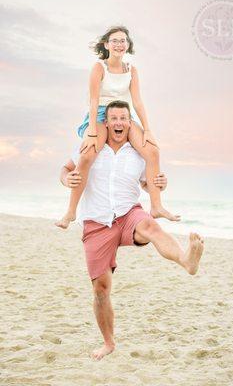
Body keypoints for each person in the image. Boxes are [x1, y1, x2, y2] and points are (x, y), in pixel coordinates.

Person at [59, 100, 204, 361]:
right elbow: (67, 169)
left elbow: (149, 184)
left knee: (149, 224)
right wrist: (65, 178)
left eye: (123, 119)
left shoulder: (138, 153)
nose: (118, 123)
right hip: (95, 223)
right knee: (101, 289)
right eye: (113, 118)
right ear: (106, 122)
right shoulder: (91, 147)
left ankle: (186, 259)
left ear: (129, 122)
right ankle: (108, 342)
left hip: (128, 215)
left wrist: (159, 183)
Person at [55, 25, 179, 229]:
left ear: (127, 45)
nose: (119, 44)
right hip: (101, 114)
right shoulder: (99, 67)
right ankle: (70, 212)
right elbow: (94, 100)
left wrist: (147, 129)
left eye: (123, 41)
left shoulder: (131, 70)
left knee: (153, 152)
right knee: (87, 155)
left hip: (123, 115)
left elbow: (137, 101)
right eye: (115, 40)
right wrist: (93, 129)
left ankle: (156, 206)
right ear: (107, 44)